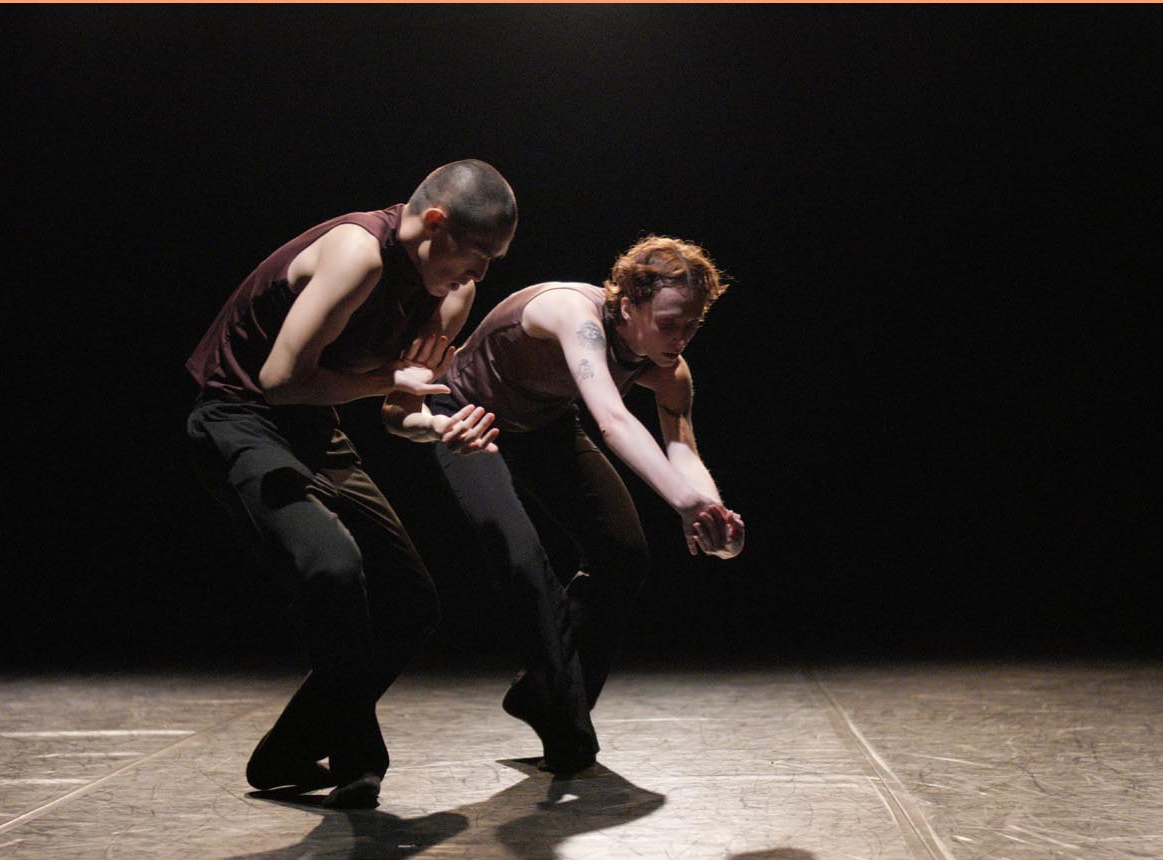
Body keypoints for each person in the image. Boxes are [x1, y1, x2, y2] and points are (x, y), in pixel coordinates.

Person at [185, 159, 514, 808]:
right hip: (237, 416)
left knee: (412, 602)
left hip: (314, 427)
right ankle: (359, 757)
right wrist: (391, 380)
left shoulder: (451, 296)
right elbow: (279, 380)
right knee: (332, 565)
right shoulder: (358, 255)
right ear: (435, 223)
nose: (477, 276)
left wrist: (435, 427)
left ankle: (286, 751)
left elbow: (398, 413)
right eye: (476, 255)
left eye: (491, 262)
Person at [385, 235, 745, 773]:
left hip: (544, 424)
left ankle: (542, 694)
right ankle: (565, 720)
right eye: (669, 324)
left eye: (692, 326)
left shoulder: (669, 367)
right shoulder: (573, 313)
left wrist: (711, 510)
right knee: (523, 560)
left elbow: (682, 447)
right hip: (469, 419)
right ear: (628, 305)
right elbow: (612, 419)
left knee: (624, 554)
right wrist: (683, 503)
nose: (680, 340)